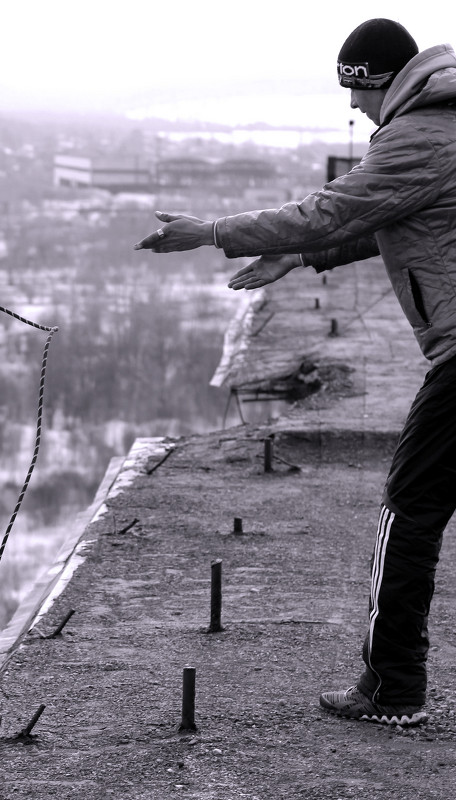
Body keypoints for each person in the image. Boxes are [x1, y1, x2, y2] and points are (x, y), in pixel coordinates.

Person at [134, 18, 456, 727]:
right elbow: (393, 220)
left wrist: (212, 231)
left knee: (411, 508)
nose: (353, 112)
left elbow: (331, 209)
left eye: (355, 93)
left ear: (372, 79)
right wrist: (306, 257)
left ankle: (393, 687)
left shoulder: (420, 134)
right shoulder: (443, 126)